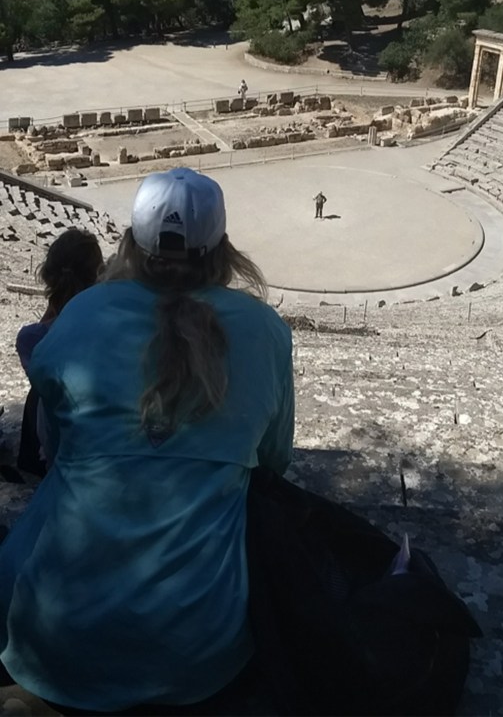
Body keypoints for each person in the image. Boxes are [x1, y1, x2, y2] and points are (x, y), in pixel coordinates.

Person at [0, 167, 295, 714]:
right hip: (200, 650)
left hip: (54, 632)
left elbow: (58, 448)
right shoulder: (266, 331)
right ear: (224, 249)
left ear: (129, 243)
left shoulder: (81, 314)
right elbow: (274, 463)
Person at [15, 228, 104, 476]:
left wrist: (55, 303)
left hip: (62, 450)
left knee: (38, 394)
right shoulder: (112, 322)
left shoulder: (32, 339)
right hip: (106, 441)